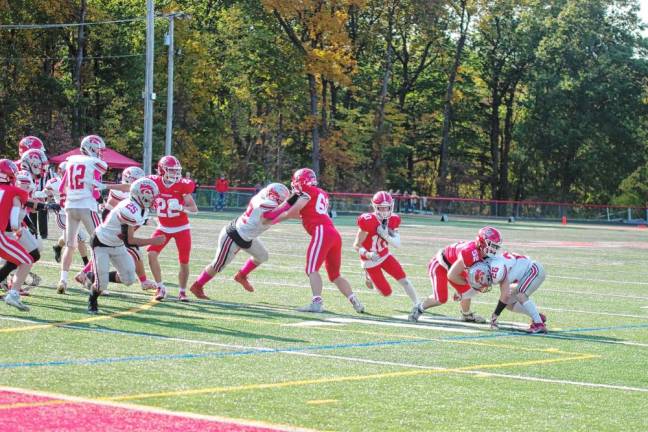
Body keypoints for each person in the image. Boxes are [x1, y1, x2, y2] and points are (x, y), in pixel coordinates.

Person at [269, 168, 364, 313]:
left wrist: (272, 219)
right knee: (335, 275)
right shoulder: (321, 193)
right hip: (333, 233)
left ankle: (317, 303)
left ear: (301, 181)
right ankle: (355, 301)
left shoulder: (307, 190)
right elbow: (306, 212)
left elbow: (293, 211)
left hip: (322, 232)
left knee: (311, 269)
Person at [190, 183, 291, 299]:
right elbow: (269, 218)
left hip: (247, 236)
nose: (281, 203)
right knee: (218, 265)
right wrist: (290, 208)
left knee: (262, 256)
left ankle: (241, 276)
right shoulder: (265, 205)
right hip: (233, 236)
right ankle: (197, 286)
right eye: (280, 200)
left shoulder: (265, 197)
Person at [87, 178, 165, 314]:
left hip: (117, 244)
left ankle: (93, 276)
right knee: (101, 285)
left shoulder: (139, 207)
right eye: (151, 197)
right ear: (141, 196)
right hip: (101, 243)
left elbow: (130, 187)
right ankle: (92, 300)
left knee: (129, 279)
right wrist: (153, 241)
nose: (154, 200)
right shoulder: (129, 210)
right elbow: (130, 241)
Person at [408, 226, 503, 323]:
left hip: (455, 266)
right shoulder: (469, 252)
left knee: (470, 289)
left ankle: (466, 315)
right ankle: (419, 308)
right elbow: (452, 275)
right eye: (492, 246)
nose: (494, 249)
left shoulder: (483, 254)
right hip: (440, 265)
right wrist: (467, 284)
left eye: (496, 246)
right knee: (440, 298)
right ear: (482, 242)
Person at [57, 135, 109, 294]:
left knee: (70, 245)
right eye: (98, 150)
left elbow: (62, 187)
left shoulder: (71, 160)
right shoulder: (96, 163)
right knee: (102, 244)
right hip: (87, 206)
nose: (100, 153)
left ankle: (63, 280)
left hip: (70, 206)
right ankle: (91, 279)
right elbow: (96, 190)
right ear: (91, 149)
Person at [353, 191, 418, 306]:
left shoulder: (393, 219)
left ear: (391, 206)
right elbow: (356, 245)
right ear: (375, 207)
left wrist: (386, 235)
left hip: (385, 255)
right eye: (381, 208)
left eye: (386, 208)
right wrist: (368, 254)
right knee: (386, 292)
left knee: (404, 280)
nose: (384, 211)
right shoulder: (367, 220)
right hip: (370, 260)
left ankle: (417, 304)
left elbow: (397, 244)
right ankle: (368, 275)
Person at [147, 155, 198, 301]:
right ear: (162, 170)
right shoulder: (154, 182)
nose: (175, 173)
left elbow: (194, 209)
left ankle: (182, 292)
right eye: (171, 170)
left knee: (184, 260)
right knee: (151, 254)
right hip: (163, 227)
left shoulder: (183, 185)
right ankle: (160, 287)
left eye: (176, 170)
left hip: (182, 227)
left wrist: (181, 207)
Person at [0, 159, 33, 311]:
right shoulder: (15, 192)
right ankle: (13, 295)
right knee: (26, 260)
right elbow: (14, 218)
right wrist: (15, 229)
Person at [487, 252, 547, 333]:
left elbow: (504, 296)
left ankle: (539, 324)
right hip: (528, 272)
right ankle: (538, 317)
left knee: (521, 296)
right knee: (509, 303)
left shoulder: (501, 271)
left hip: (534, 269)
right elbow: (505, 298)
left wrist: (495, 315)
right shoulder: (499, 263)